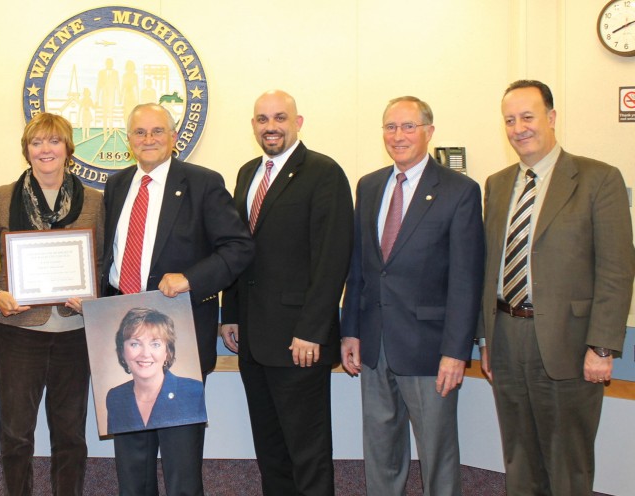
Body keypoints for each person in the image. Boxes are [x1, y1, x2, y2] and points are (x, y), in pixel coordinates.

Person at [477, 80, 635, 495]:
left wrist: (602, 346)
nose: (518, 128)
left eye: (527, 117)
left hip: (571, 340)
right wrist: (486, 340)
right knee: (518, 455)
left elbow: (617, 270)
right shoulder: (496, 184)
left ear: (550, 118)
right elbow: (489, 267)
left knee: (567, 461)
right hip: (507, 337)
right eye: (509, 120)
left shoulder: (598, 179)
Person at [101, 103, 253, 496]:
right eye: (139, 132)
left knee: (180, 458)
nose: (148, 139)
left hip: (179, 334)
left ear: (173, 137)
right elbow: (110, 257)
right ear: (129, 140)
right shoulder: (117, 186)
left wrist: (190, 278)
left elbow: (238, 248)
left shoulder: (202, 183)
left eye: (157, 131)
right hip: (124, 329)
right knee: (131, 459)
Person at [341, 96, 483, 496]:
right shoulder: (369, 186)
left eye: (408, 127)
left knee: (437, 453)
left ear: (429, 132)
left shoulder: (459, 191)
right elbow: (360, 266)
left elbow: (466, 279)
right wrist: (350, 330)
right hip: (374, 342)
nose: (398, 136)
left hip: (430, 348)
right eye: (390, 127)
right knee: (380, 448)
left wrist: (456, 352)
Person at [220, 90, 353, 496]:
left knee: (307, 452)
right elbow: (239, 250)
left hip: (300, 341)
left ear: (298, 122)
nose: (270, 126)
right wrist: (231, 313)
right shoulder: (247, 173)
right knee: (271, 450)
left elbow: (332, 258)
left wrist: (312, 330)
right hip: (254, 341)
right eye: (262, 119)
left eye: (280, 117)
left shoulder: (323, 172)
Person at [0, 112, 104, 496]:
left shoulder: (93, 201)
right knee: (16, 434)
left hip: (75, 335)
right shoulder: (2, 197)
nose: (46, 150)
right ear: (27, 151)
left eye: (54, 141)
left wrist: (93, 298)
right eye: (37, 142)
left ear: (68, 149)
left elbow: (104, 264)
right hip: (18, 333)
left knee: (71, 435)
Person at [106, 307, 206, 435]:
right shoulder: (115, 397)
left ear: (167, 352)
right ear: (122, 352)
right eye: (135, 344)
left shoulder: (193, 391)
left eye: (155, 344)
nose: (145, 354)